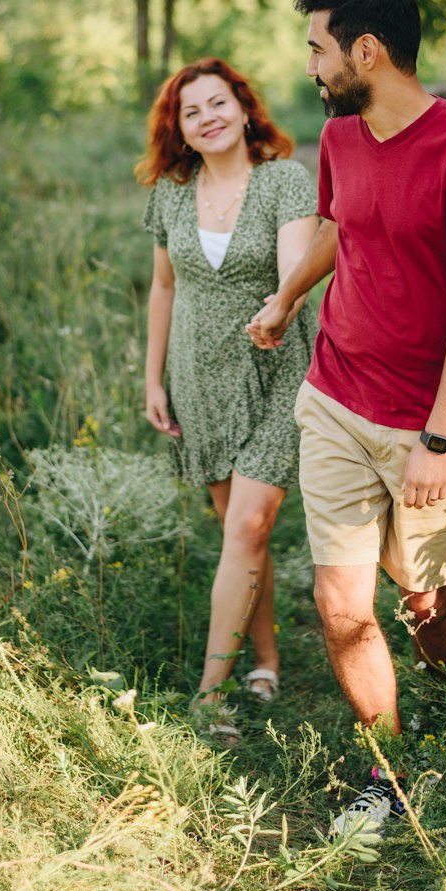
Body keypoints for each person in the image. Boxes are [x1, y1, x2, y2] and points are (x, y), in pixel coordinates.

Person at [247, 0, 446, 836]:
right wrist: (289, 296)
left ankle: (445, 684)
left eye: (318, 49)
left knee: (424, 600)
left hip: (429, 425)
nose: (311, 67)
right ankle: (389, 775)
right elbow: (338, 229)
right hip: (334, 397)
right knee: (342, 606)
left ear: (367, 50)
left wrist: (436, 443)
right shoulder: (337, 139)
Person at [137, 58, 318, 735]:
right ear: (179, 130)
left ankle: (210, 694)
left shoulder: (283, 183)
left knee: (246, 527)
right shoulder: (172, 194)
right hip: (197, 379)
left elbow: (294, 279)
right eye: (192, 111)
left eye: (219, 102)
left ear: (244, 110)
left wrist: (276, 308)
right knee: (243, 532)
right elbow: (163, 288)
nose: (208, 116)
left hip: (275, 374)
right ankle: (265, 661)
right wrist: (153, 378)